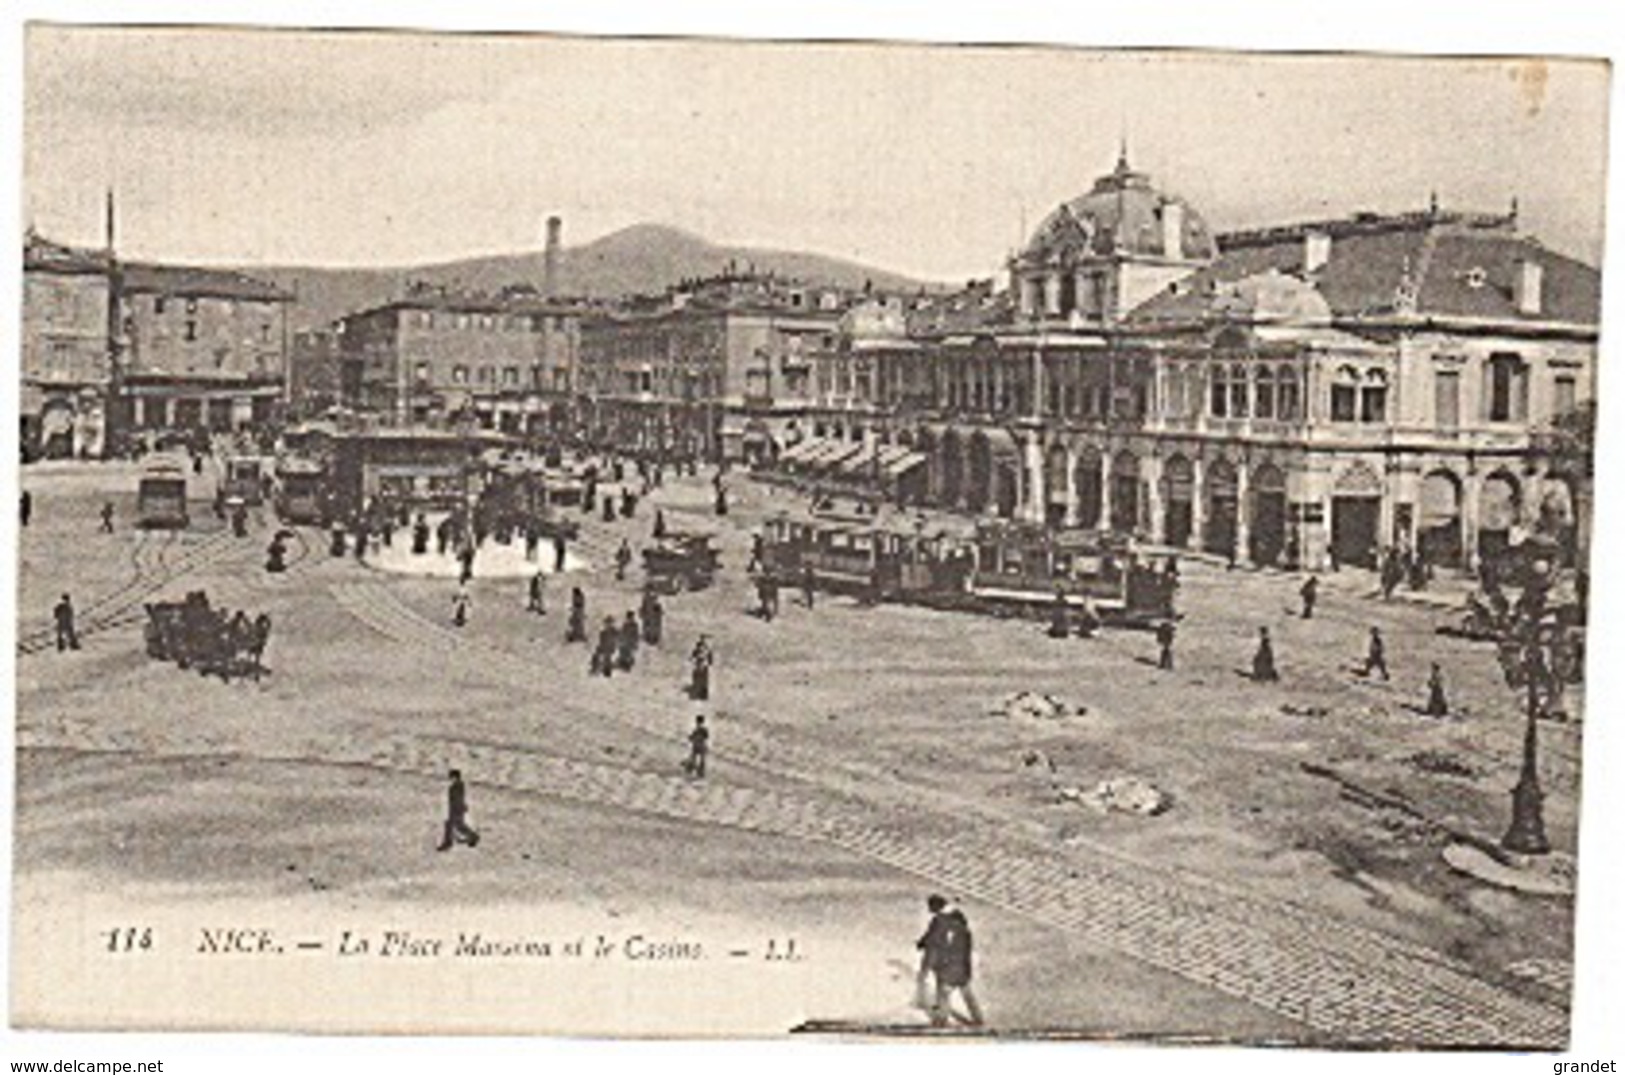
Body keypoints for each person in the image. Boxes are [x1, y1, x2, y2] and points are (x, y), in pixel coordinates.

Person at [916, 895, 984, 1028]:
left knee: (943, 992)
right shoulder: (959, 918)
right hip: (962, 960)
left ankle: (941, 1020)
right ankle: (978, 1018)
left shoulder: (939, 921)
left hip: (947, 961)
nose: (929, 909)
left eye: (931, 907)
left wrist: (923, 946)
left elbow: (933, 939)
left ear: (936, 906)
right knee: (965, 990)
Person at [436, 769, 480, 851]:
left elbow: (458, 798)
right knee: (452, 825)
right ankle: (449, 842)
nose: (451, 779)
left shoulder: (457, 786)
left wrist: (459, 807)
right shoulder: (456, 785)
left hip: (456, 809)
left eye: (452, 777)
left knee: (457, 825)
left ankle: (472, 837)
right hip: (454, 809)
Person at [689, 636, 714, 700]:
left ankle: (703, 694)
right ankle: (698, 693)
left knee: (703, 680)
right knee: (698, 679)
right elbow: (693, 655)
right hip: (699, 664)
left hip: (703, 665)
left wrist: (709, 663)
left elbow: (710, 658)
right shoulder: (698, 648)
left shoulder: (707, 649)